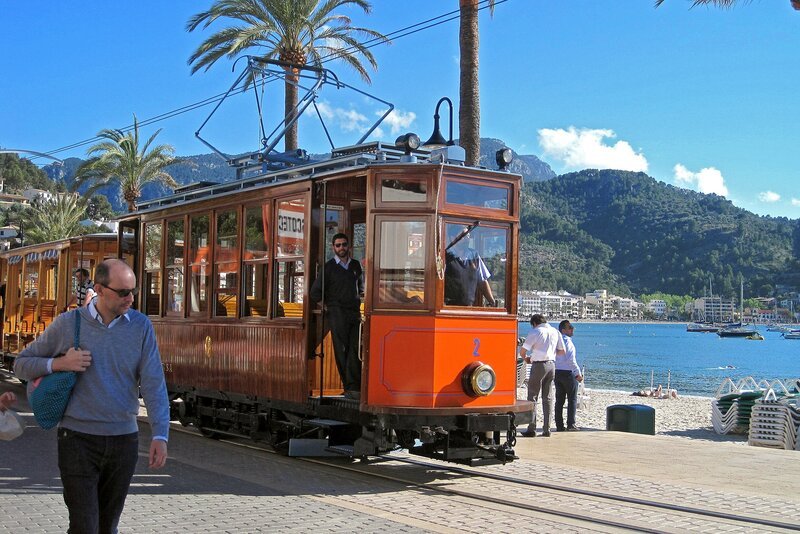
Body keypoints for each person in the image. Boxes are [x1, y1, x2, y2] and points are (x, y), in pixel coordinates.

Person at [14, 259, 169, 534]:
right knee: (85, 525)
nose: (130, 298)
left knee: (107, 526)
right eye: (122, 292)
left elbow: (154, 383)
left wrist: (160, 435)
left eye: (133, 291)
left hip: (124, 441)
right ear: (98, 288)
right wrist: (58, 364)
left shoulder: (141, 327)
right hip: (77, 440)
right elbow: (22, 364)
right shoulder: (69, 323)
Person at [310, 233, 364, 400]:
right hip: (337, 313)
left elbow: (361, 289)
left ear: (349, 246)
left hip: (354, 313)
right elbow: (315, 293)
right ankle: (349, 387)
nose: (341, 248)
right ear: (333, 247)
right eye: (338, 245)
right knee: (342, 350)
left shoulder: (355, 265)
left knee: (355, 348)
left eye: (344, 245)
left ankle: (355, 387)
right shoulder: (329, 267)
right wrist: (328, 308)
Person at [518, 314, 565, 437]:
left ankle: (532, 427)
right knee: (548, 397)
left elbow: (523, 351)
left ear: (534, 323)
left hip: (538, 364)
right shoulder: (555, 331)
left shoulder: (536, 331)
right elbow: (562, 351)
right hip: (551, 365)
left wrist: (527, 359)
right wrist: (550, 352)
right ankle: (546, 428)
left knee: (533, 396)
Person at [444, 226, 496, 307]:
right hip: (448, 308)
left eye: (468, 236)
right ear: (452, 238)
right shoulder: (445, 257)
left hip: (469, 308)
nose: (467, 239)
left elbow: (482, 280)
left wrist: (492, 302)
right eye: (463, 236)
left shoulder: (474, 256)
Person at [555, 320, 583, 431]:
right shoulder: (568, 342)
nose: (572, 329)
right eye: (570, 327)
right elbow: (571, 360)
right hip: (568, 373)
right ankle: (571, 424)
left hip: (557, 372)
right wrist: (578, 374)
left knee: (559, 400)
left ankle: (559, 425)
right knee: (572, 399)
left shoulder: (556, 341)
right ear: (563, 330)